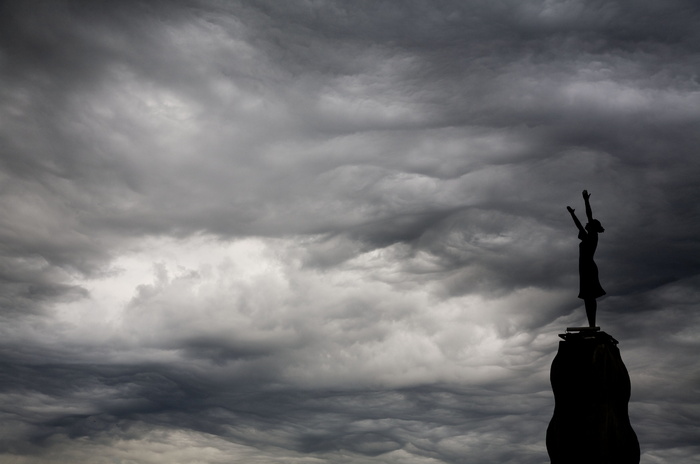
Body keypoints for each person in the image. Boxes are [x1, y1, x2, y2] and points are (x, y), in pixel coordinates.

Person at [567, 190, 606, 327]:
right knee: (587, 298)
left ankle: (592, 326)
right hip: (584, 269)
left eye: (589, 224)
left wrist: (586, 201)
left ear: (593, 227)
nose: (586, 224)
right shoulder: (586, 236)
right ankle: (591, 325)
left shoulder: (593, 236)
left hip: (589, 267)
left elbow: (589, 215)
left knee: (590, 296)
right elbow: (578, 224)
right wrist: (572, 214)